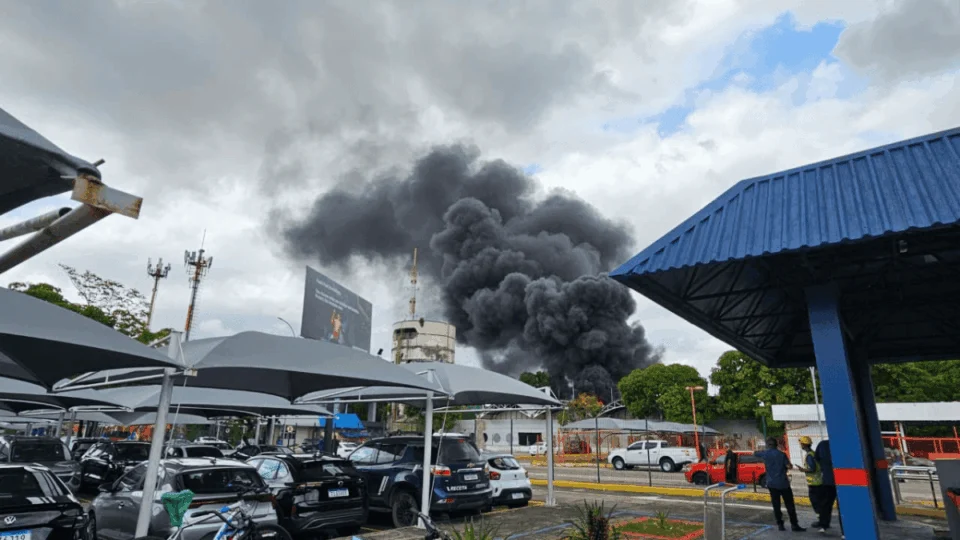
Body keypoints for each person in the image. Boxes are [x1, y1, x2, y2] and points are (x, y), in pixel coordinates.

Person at [755, 437, 805, 532]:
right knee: (790, 505)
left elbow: (755, 453)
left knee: (776, 505)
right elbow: (788, 466)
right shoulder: (782, 455)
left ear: (768, 445)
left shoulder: (765, 454)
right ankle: (794, 525)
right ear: (776, 445)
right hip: (783, 483)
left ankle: (780, 525)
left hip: (771, 483)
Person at [813, 440, 844, 537]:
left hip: (828, 479)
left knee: (825, 504)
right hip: (842, 480)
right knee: (842, 507)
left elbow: (816, 458)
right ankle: (844, 531)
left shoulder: (822, 444)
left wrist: (824, 467)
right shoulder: (841, 444)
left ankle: (823, 525)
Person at [797, 436, 823, 531]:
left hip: (814, 484)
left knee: (816, 504)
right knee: (820, 503)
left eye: (801, 444)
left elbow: (813, 469)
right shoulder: (813, 453)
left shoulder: (809, 456)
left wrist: (802, 469)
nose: (800, 445)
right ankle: (823, 521)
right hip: (819, 482)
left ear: (804, 444)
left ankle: (821, 522)